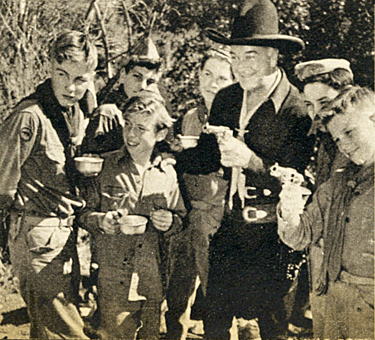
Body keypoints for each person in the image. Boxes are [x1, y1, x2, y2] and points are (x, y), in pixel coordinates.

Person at [175, 0, 313, 339]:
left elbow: (302, 181)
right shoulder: (226, 99)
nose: (239, 67)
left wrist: (250, 160)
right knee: (216, 326)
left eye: (248, 55)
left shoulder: (296, 109)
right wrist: (168, 155)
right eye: (234, 57)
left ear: (273, 55)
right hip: (229, 230)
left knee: (272, 329)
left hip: (273, 239)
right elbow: (208, 159)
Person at [0, 30, 98, 339]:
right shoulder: (29, 117)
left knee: (46, 331)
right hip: (35, 236)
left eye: (80, 79)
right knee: (67, 331)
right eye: (62, 74)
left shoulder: (70, 113)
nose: (71, 87)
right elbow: (2, 182)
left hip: (62, 235)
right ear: (48, 68)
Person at [78, 93, 186, 340]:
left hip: (150, 279)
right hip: (112, 278)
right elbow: (82, 213)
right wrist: (101, 221)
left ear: (159, 134)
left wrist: (170, 222)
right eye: (127, 124)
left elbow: (179, 217)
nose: (131, 134)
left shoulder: (167, 173)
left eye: (141, 128)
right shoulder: (104, 167)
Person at [277, 85, 374, 340]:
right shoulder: (337, 184)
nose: (344, 146)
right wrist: (289, 205)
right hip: (335, 305)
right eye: (338, 139)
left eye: (350, 132)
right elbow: (299, 236)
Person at [165, 47, 234, 339]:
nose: (212, 82)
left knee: (216, 298)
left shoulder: (236, 116)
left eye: (221, 77)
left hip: (217, 217)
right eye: (207, 74)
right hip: (186, 213)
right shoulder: (189, 116)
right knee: (177, 291)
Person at [294, 58, 354, 338]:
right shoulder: (324, 138)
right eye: (309, 104)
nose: (316, 112)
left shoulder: (361, 141)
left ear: (347, 94)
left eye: (324, 101)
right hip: (322, 250)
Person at [81, 36, 170, 155]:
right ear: (123, 75)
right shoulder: (108, 115)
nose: (143, 86)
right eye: (137, 77)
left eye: (150, 81)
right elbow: (90, 160)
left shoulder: (158, 113)